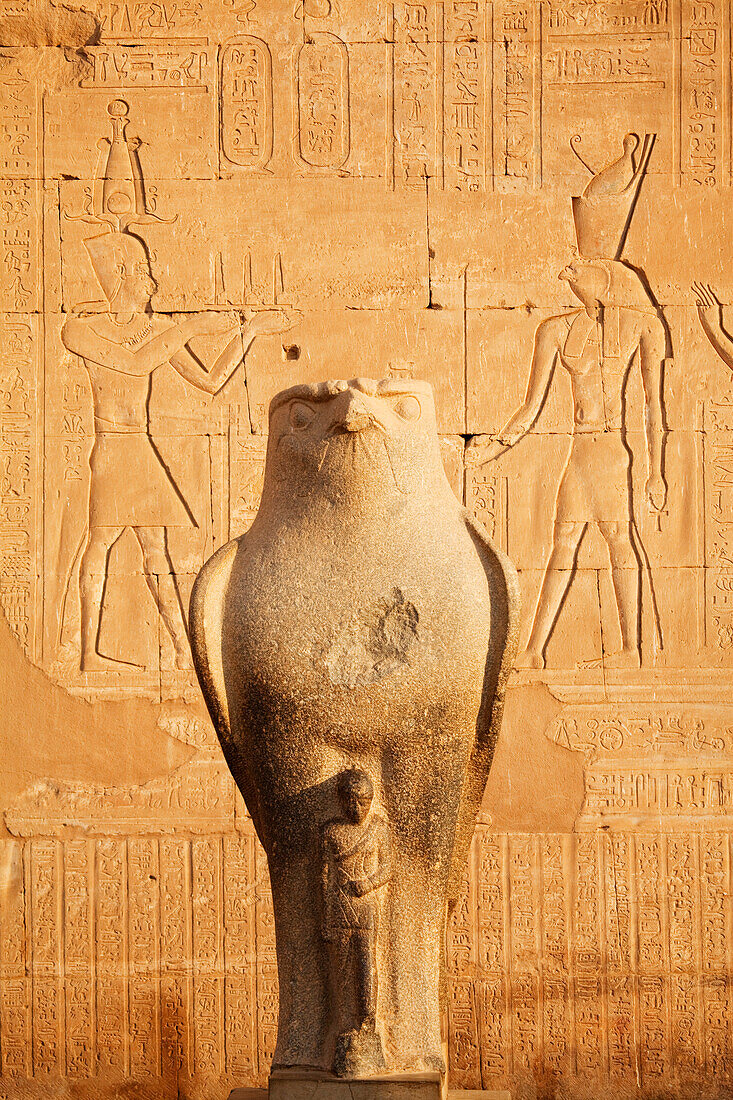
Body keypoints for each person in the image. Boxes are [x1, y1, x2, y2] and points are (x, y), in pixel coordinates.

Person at [61, 229, 293, 671]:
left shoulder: (155, 331)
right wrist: (190, 325)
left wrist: (250, 332)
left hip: (140, 447)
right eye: (145, 272)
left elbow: (209, 382)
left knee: (155, 552)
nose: (153, 283)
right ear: (123, 275)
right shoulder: (81, 330)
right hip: (112, 447)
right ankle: (89, 654)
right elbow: (133, 362)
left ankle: (183, 651)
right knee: (102, 542)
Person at [468, 258, 667, 669]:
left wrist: (657, 472)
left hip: (613, 453)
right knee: (563, 544)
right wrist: (493, 447)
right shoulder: (556, 330)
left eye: (579, 267)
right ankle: (535, 651)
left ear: (604, 275)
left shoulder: (638, 325)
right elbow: (531, 406)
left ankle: (631, 649)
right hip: (580, 451)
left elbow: (653, 406)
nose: (569, 274)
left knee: (618, 540)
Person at [321, 768, 391, 1072]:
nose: (357, 808)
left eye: (364, 801)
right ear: (341, 801)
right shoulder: (332, 832)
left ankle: (368, 1018)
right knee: (344, 965)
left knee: (366, 962)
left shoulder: (378, 829)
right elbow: (324, 877)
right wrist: (325, 916)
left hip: (366, 905)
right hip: (340, 905)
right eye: (352, 802)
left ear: (371, 800)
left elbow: (388, 867)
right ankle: (347, 1022)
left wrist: (368, 884)